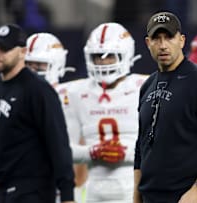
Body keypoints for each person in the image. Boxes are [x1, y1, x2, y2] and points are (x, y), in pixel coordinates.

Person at [134, 11, 197, 203]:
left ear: (181, 40)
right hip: (150, 197)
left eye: (169, 37)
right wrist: (136, 197)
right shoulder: (147, 85)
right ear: (148, 43)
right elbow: (141, 146)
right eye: (156, 38)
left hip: (186, 197)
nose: (163, 45)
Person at [61, 22, 147, 203]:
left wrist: (127, 154)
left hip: (134, 187)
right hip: (93, 191)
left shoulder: (145, 87)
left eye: (109, 56)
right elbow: (63, 150)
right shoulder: (75, 92)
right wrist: (91, 152)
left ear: (126, 54)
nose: (102, 62)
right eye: (97, 56)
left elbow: (164, 146)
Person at [0, 24, 75, 203]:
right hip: (1, 192)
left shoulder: (39, 90)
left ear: (22, 52)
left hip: (32, 193)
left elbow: (58, 144)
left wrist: (67, 195)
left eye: (4, 48)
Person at [24, 32, 87, 203]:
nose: (32, 71)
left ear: (57, 64)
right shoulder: (11, 95)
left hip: (63, 191)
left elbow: (81, 168)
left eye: (39, 65)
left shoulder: (73, 97)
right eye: (27, 64)